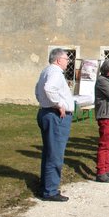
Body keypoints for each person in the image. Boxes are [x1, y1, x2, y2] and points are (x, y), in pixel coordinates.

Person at [35, 48, 75, 201]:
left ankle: (45, 186)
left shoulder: (46, 71)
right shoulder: (56, 73)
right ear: (58, 60)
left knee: (49, 152)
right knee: (55, 153)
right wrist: (58, 104)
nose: (68, 62)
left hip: (46, 112)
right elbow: (48, 88)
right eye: (66, 59)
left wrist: (45, 102)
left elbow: (38, 91)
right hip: (55, 116)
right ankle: (50, 190)